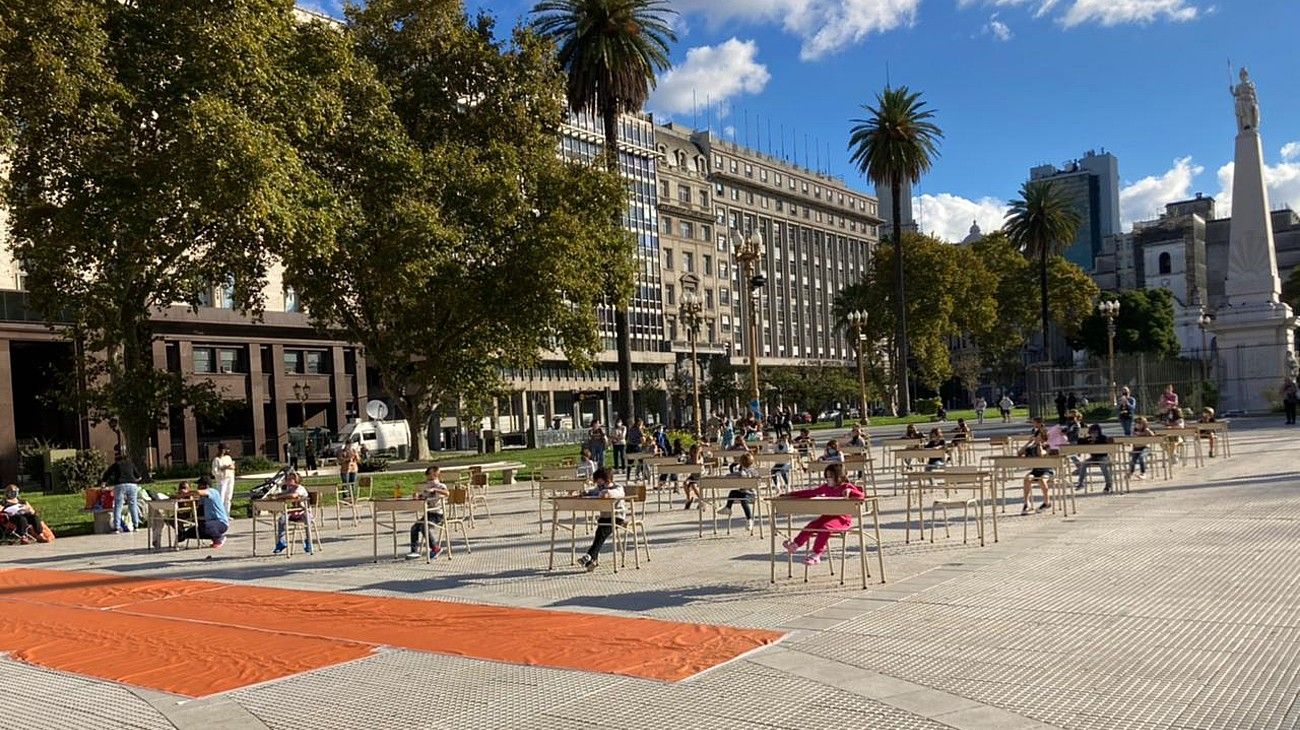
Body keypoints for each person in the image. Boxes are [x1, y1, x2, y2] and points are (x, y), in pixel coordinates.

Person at [781, 463, 864, 566]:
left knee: (825, 528)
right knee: (811, 526)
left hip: (842, 519)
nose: (828, 479)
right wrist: (790, 495)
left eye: (830, 477)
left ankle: (816, 554)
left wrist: (850, 491)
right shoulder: (826, 487)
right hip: (828, 515)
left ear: (839, 477)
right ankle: (795, 545)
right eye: (827, 477)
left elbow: (861, 496)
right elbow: (810, 492)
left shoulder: (847, 486)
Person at [576, 467, 625, 572]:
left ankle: (589, 556)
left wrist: (604, 491)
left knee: (601, 534)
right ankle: (590, 560)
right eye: (598, 484)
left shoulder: (618, 488)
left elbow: (609, 494)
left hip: (617, 517)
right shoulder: (599, 488)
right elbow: (592, 492)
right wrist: (585, 493)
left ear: (608, 481)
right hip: (604, 518)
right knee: (599, 535)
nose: (599, 486)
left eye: (602, 484)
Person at [165, 476, 229, 549]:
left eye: (200, 485)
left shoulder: (212, 491)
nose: (198, 487)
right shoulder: (203, 498)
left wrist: (186, 493)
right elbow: (197, 509)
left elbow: (198, 492)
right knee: (191, 532)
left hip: (220, 522)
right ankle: (183, 535)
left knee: (205, 527)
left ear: (206, 485)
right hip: (209, 521)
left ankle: (219, 538)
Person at [406, 466, 449, 559]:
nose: (428, 476)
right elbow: (424, 497)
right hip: (428, 513)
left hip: (437, 514)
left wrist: (435, 490)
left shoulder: (440, 486)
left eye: (431, 474)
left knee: (424, 527)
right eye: (428, 474)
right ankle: (414, 551)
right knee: (414, 528)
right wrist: (418, 496)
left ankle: (435, 548)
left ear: (436, 474)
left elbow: (447, 493)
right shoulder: (427, 486)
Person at [101, 447, 142, 533]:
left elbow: (107, 473)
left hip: (120, 485)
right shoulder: (130, 463)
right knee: (133, 505)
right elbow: (139, 476)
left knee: (118, 506)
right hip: (132, 485)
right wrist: (133, 480)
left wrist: (104, 483)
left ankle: (117, 527)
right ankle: (136, 526)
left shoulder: (116, 464)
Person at [272, 471, 312, 555]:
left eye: (290, 479)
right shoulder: (290, 489)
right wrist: (277, 495)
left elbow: (293, 495)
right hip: (294, 512)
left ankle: (309, 540)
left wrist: (280, 496)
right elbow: (284, 494)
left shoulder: (300, 488)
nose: (288, 481)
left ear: (296, 480)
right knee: (282, 519)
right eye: (287, 479)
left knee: (307, 519)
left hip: (303, 511)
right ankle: (281, 541)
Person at [1018, 431, 1053, 514]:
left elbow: (1041, 454)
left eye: (1040, 437)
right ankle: (1027, 503)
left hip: (1046, 470)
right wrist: (1029, 442)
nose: (1038, 438)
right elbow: (1019, 453)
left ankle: (1046, 502)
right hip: (1035, 470)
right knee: (1027, 479)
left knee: (1042, 480)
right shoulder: (1031, 447)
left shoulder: (1047, 446)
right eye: (1037, 437)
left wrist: (1039, 445)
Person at [721, 452, 759, 529]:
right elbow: (759, 479)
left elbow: (730, 476)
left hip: (750, 494)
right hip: (747, 493)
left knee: (742, 499)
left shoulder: (744, 472)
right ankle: (728, 508)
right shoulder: (753, 471)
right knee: (733, 492)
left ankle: (749, 519)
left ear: (741, 463)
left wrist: (725, 476)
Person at [1074, 424, 1114, 493]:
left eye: (1095, 432)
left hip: (1103, 456)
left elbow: (1107, 442)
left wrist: (1096, 440)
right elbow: (1079, 442)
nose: (1093, 434)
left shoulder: (1103, 438)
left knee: (1103, 466)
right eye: (1092, 432)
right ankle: (1081, 483)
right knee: (1084, 464)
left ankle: (1108, 484)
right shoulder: (1089, 438)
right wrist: (1082, 436)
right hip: (1094, 457)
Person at [210, 442, 236, 511]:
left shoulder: (228, 458)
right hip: (222, 480)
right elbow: (214, 472)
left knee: (228, 497)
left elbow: (232, 467)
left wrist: (231, 467)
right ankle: (220, 513)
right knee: (221, 496)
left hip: (230, 478)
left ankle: (227, 513)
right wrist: (223, 468)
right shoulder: (216, 460)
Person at [680, 443, 705, 509]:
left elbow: (696, 463)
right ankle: (689, 499)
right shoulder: (689, 458)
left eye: (695, 452)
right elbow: (685, 464)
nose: (693, 453)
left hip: (700, 476)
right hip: (693, 476)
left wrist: (697, 453)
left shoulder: (700, 458)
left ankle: (701, 500)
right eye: (692, 452)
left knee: (693, 485)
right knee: (685, 483)